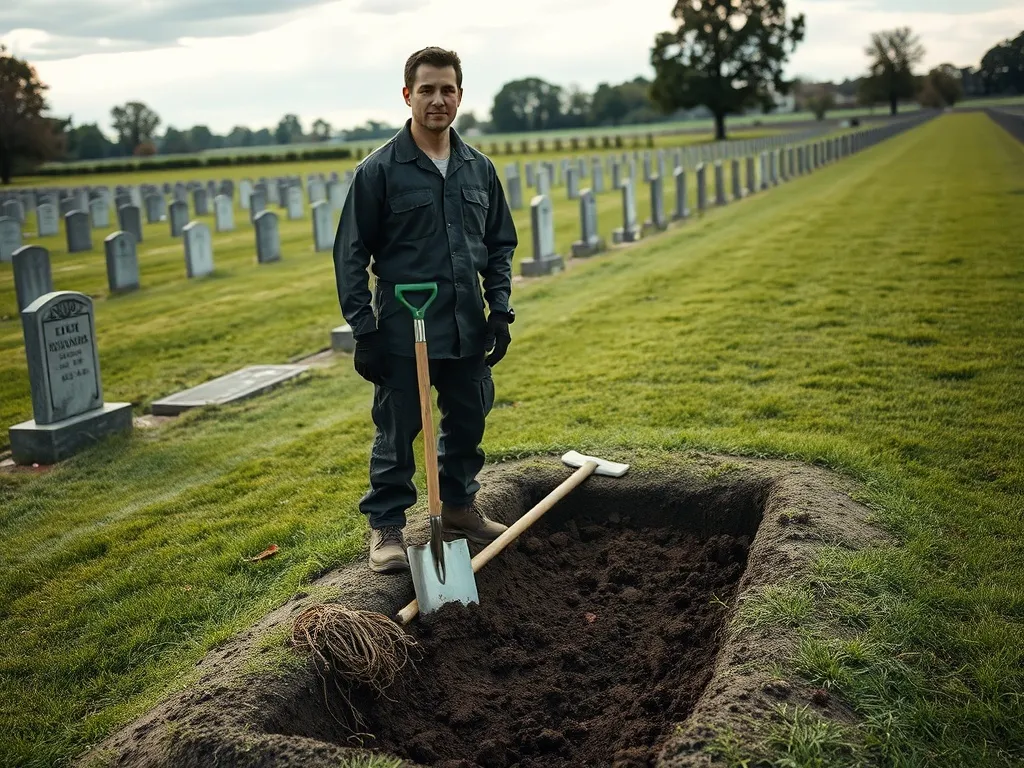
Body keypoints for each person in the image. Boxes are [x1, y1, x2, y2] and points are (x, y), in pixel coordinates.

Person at [333, 46, 518, 573]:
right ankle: (387, 528)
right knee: (397, 428)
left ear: (460, 95)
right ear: (408, 94)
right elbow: (351, 253)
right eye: (428, 89)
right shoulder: (379, 171)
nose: (438, 100)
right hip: (402, 327)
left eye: (448, 89)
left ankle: (459, 508)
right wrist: (363, 330)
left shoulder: (477, 169)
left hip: (465, 326)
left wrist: (499, 311)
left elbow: (499, 244)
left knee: (468, 419)